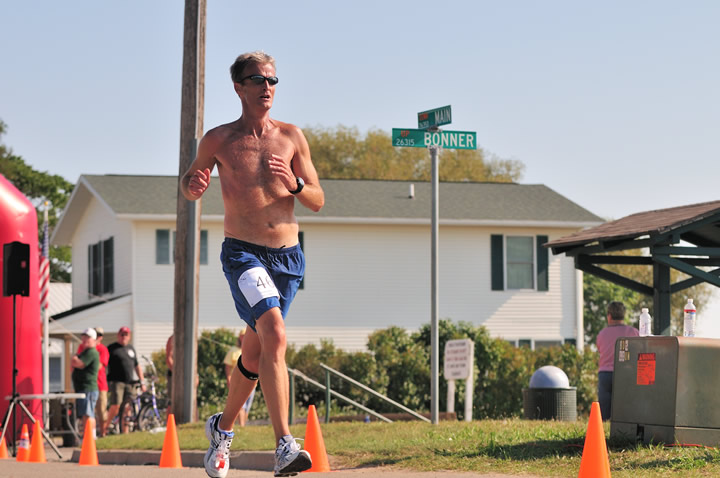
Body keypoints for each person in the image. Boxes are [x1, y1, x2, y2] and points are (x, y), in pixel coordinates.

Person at [180, 50, 324, 478]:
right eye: (258, 80)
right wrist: (196, 184)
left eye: (273, 80)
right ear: (239, 86)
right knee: (275, 333)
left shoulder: (292, 137)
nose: (267, 87)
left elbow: (317, 199)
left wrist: (295, 184)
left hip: (288, 257)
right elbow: (190, 186)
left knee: (257, 351)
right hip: (242, 253)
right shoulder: (219, 140)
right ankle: (284, 445)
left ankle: (221, 431)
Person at [596, 301, 639, 421]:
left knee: (604, 405)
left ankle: (604, 427)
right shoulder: (632, 332)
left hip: (605, 374)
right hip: (625, 373)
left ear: (609, 316)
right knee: (625, 404)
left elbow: (600, 349)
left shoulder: (602, 334)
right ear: (623, 316)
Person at [104, 326, 146, 434]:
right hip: (116, 381)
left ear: (129, 336)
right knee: (116, 405)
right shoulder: (112, 348)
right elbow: (103, 364)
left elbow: (137, 366)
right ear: (118, 335)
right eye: (122, 334)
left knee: (128, 407)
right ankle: (106, 427)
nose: (124, 337)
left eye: (126, 334)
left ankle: (125, 431)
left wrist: (142, 381)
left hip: (130, 382)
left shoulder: (131, 349)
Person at [77, 327, 110, 437]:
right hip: (86, 385)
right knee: (88, 412)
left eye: (100, 335)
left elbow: (98, 366)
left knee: (101, 412)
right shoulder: (83, 348)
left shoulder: (101, 350)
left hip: (100, 385)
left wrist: (83, 364)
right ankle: (91, 435)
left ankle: (102, 434)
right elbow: (77, 362)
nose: (99, 337)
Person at [223, 329, 255, 427]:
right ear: (240, 337)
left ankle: (243, 425)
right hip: (239, 382)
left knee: (247, 407)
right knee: (241, 405)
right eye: (243, 335)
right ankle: (241, 425)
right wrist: (228, 378)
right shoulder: (234, 350)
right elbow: (227, 366)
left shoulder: (252, 351)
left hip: (252, 382)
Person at [71, 328, 100, 434]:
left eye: (87, 337)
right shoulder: (84, 352)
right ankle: (88, 437)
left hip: (88, 388)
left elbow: (79, 364)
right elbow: (73, 363)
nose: (84, 339)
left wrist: (75, 360)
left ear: (93, 339)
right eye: (83, 337)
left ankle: (91, 437)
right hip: (83, 388)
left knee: (88, 414)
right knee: (85, 414)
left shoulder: (92, 352)